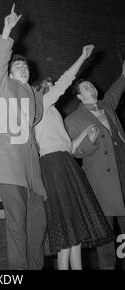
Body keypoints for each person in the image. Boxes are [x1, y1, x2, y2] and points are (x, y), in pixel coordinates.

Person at [33, 44, 113, 270]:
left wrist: (84, 135)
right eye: (48, 87)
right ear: (40, 91)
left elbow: (67, 146)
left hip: (65, 161)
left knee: (74, 224)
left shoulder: (54, 112)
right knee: (66, 221)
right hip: (53, 163)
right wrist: (81, 58)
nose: (53, 89)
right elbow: (66, 81)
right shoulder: (40, 106)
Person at [0, 4, 47, 270]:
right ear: (11, 73)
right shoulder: (5, 87)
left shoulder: (35, 97)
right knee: (17, 226)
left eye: (26, 67)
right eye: (18, 66)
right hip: (11, 169)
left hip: (33, 174)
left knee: (38, 228)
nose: (24, 69)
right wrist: (7, 30)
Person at [64, 66, 125, 269]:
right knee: (106, 232)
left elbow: (115, 91)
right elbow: (73, 151)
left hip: (122, 176)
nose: (92, 87)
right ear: (80, 96)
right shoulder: (72, 119)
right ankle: (108, 266)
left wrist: (123, 75)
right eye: (86, 87)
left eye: (91, 85)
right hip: (100, 184)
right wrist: (89, 141)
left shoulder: (106, 106)